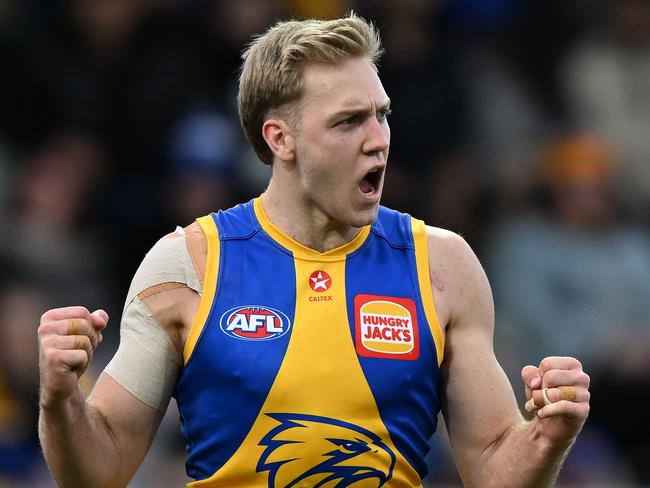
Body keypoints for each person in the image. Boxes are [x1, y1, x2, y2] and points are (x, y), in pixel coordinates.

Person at [37, 13, 590, 488]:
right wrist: (60, 398)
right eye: (349, 121)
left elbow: (493, 464)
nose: (378, 139)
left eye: (382, 114)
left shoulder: (443, 265)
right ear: (281, 139)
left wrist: (547, 435)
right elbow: (97, 468)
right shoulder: (187, 266)